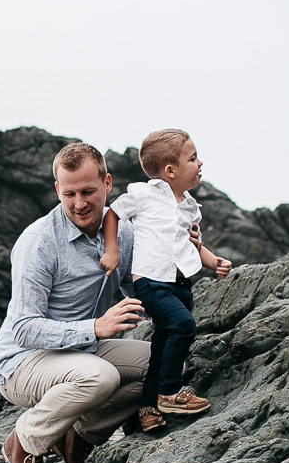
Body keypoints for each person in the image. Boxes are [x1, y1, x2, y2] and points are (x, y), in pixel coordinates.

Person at [0, 141, 151, 463]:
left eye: (89, 191)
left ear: (107, 184)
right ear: (57, 190)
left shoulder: (121, 232)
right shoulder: (39, 242)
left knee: (167, 363)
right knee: (101, 377)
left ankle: (78, 436)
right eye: (69, 193)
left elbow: (141, 291)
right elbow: (23, 329)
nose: (80, 203)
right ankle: (23, 444)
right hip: (21, 362)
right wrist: (95, 327)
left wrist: (184, 255)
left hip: (83, 352)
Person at [99, 129, 232, 429]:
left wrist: (213, 262)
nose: (200, 163)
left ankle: (147, 408)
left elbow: (193, 244)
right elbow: (112, 215)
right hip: (150, 281)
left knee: (162, 345)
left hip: (180, 284)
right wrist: (112, 251)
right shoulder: (144, 195)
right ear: (170, 171)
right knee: (184, 326)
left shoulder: (189, 206)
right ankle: (170, 393)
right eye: (193, 158)